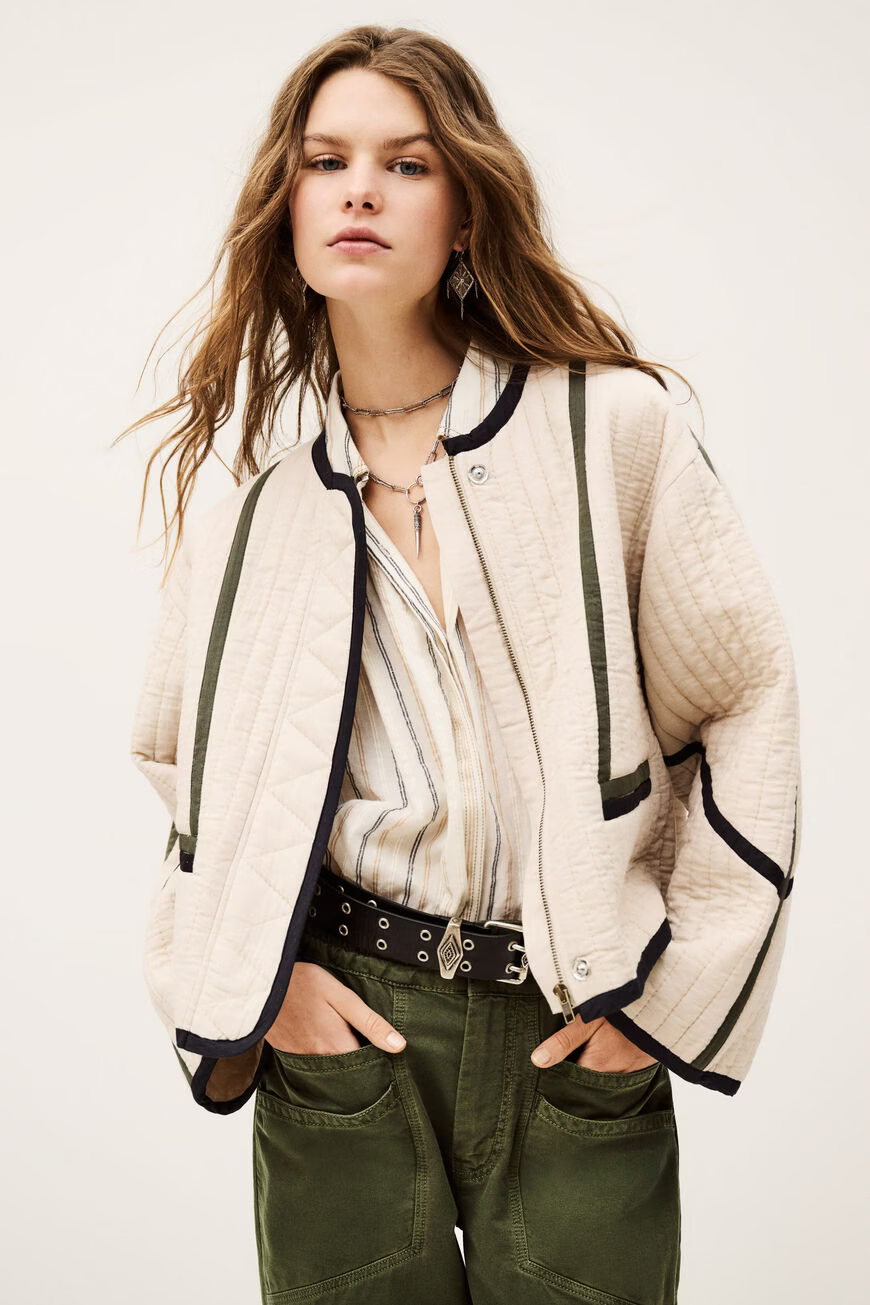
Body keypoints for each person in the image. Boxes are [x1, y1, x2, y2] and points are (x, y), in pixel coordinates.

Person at [122, 23, 801, 1305]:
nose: (360, 191)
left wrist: (665, 997)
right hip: (348, 1023)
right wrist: (274, 989)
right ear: (288, 206)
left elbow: (745, 703)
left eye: (408, 163)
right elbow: (186, 772)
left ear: (469, 210)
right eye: (326, 161)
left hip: (575, 1016)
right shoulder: (254, 498)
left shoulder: (613, 427)